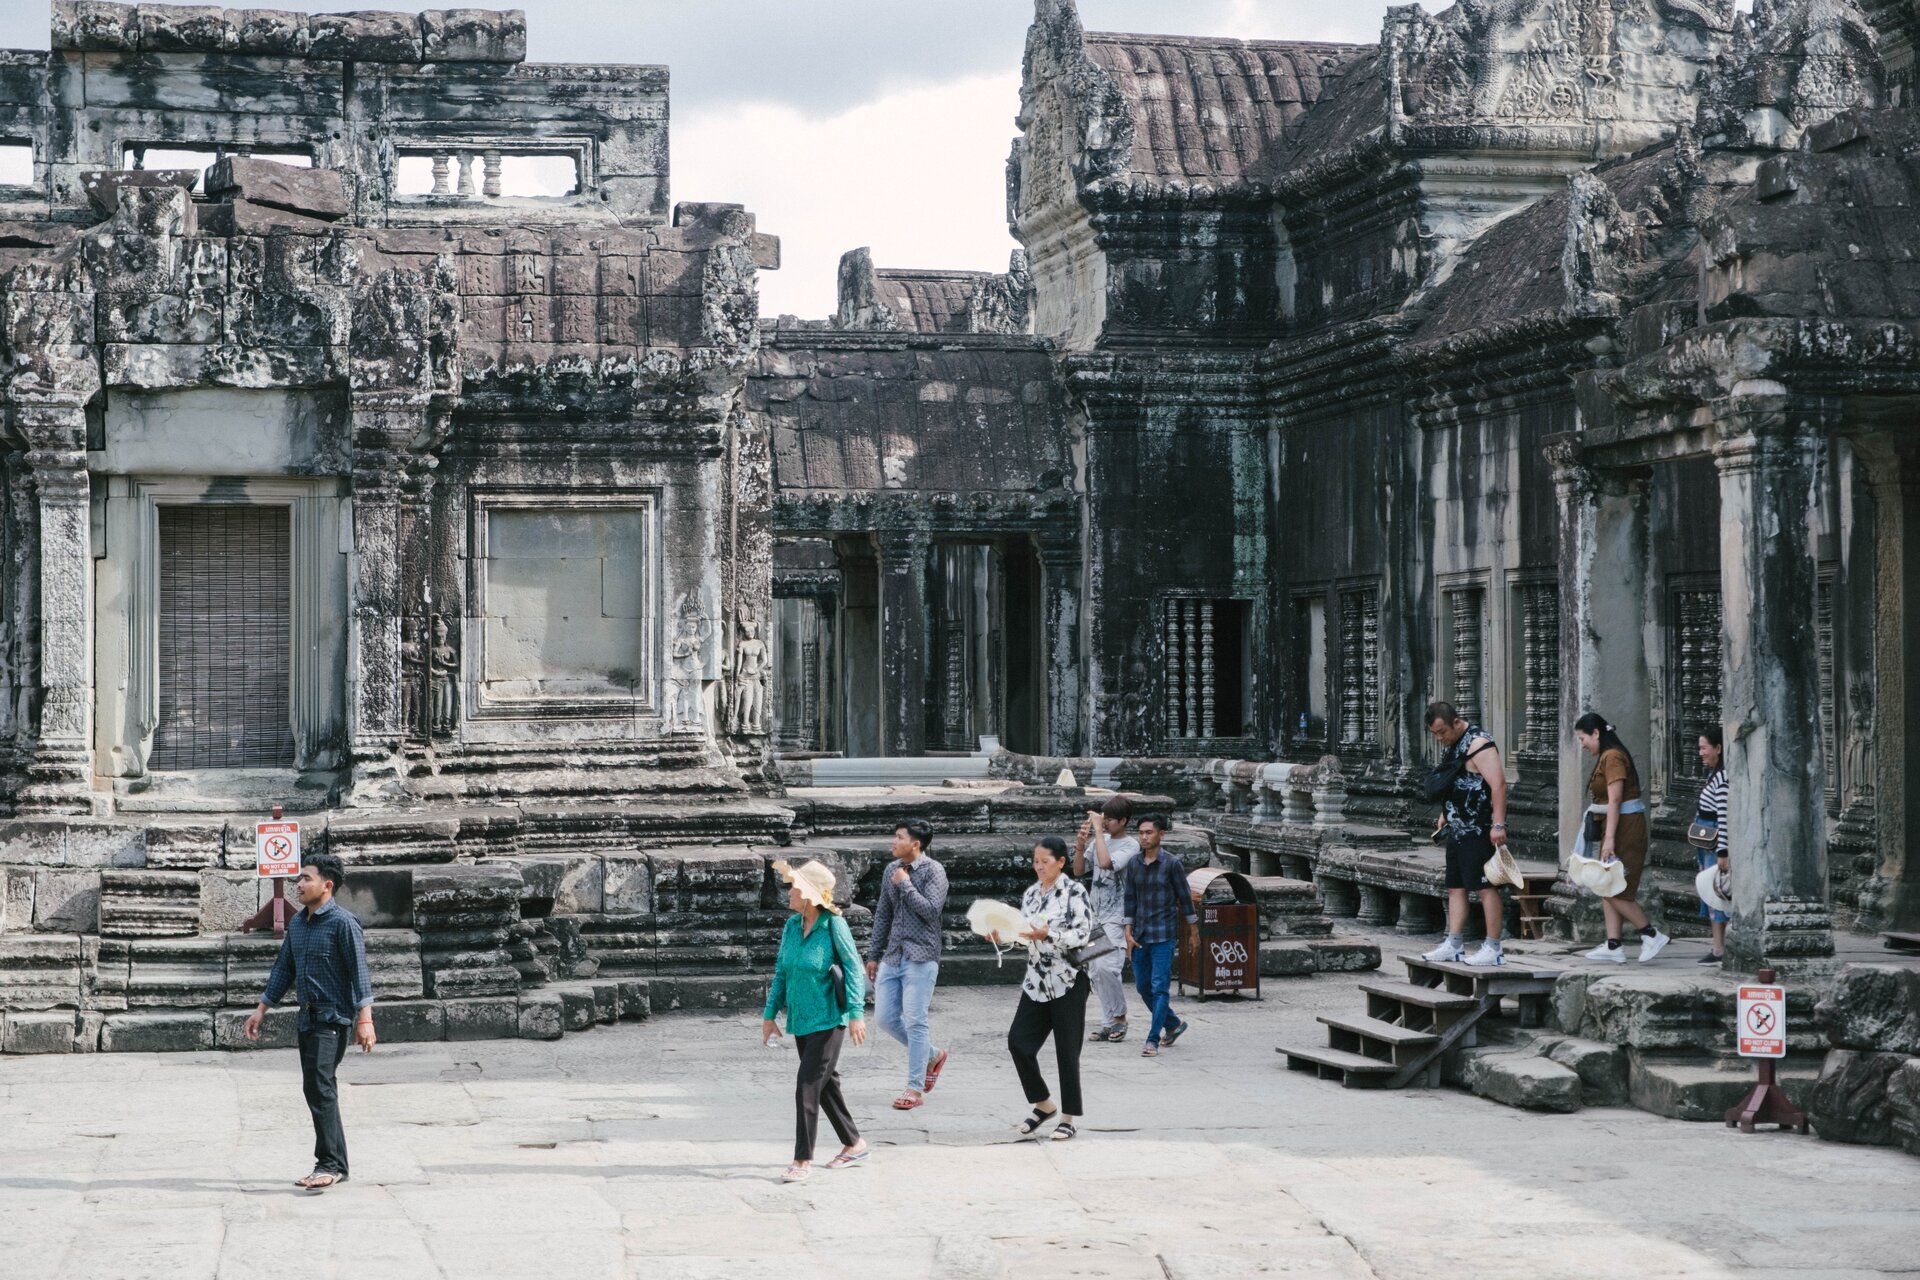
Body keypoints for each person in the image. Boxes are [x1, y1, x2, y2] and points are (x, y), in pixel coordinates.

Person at [242, 853, 375, 1192]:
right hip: (307, 1019)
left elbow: (359, 973)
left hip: (333, 1018)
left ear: (327, 886)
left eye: (306, 879)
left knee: (319, 1087)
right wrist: (261, 1009)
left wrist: (366, 1020)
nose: (298, 885)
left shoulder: (344, 923)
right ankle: (337, 1164)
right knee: (319, 1087)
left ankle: (328, 1163)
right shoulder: (299, 924)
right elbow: (284, 969)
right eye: (298, 879)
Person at [763, 859, 869, 1183]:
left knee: (807, 1085)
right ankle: (854, 1143)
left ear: (809, 895)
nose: (789, 892)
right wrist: (769, 1015)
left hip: (828, 1021)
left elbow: (853, 969)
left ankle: (801, 1159)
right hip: (801, 1021)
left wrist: (856, 1015)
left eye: (795, 887)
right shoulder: (791, 927)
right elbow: (782, 971)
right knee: (825, 1087)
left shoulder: (833, 925)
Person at [1001, 836, 1094, 1140]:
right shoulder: (1030, 894)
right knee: (1018, 1042)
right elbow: (1023, 933)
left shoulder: (1074, 892)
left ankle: (1068, 1117)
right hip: (1036, 980)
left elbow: (1082, 933)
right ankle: (1043, 1104)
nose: (1038, 866)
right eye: (1035, 861)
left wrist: (1049, 934)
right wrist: (1003, 936)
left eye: (1045, 861)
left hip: (1068, 978)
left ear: (1061, 862)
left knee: (1067, 1050)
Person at [864, 818, 949, 1110]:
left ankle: (914, 1088)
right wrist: (873, 954)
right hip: (893, 954)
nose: (893, 841)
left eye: (899, 837)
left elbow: (931, 911)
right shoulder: (891, 870)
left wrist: (907, 885)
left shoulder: (934, 871)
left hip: (921, 955)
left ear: (915, 843)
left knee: (915, 1020)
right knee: (884, 1018)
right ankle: (933, 1054)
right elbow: (883, 915)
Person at [1420, 700, 1510, 968]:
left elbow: (1498, 784)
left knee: (1485, 886)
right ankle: (1454, 943)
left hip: (1479, 828)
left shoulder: (1478, 743)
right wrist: (1446, 814)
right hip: (1457, 828)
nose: (1439, 739)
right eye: (1435, 734)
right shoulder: (1455, 745)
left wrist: (1498, 824)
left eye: (1442, 732)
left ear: (1456, 722)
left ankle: (1493, 946)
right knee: (1455, 886)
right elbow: (1454, 781)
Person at [1575, 712, 1670, 963]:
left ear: (1596, 733)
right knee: (1606, 884)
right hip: (1615, 825)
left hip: (1625, 829)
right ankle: (1613, 944)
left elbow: (1616, 799)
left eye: (1583, 738)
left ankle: (1650, 934)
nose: (1582, 744)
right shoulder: (1606, 756)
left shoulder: (1613, 756)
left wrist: (1609, 839)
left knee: (1616, 890)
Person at [1121, 812, 1197, 1058]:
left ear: (1160, 835)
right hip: (1141, 934)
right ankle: (1173, 1023)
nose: (1144, 837)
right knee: (1144, 987)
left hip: (1164, 934)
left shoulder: (1172, 864)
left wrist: (1193, 931)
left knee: (1160, 987)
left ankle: (1152, 1039)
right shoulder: (1134, 863)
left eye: (1149, 832)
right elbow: (1130, 899)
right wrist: (1128, 930)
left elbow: (1185, 899)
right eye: (1141, 832)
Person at [1073, 794, 1140, 1043]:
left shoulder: (1130, 846)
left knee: (1107, 967)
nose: (1106, 822)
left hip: (1117, 916)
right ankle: (1108, 1020)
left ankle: (1119, 1017)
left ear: (1123, 821)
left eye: (1111, 819)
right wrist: (1081, 845)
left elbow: (1106, 862)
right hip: (1095, 914)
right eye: (1105, 818)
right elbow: (1080, 870)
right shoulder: (1101, 840)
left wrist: (1099, 833)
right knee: (1095, 970)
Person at [1692, 726, 1731, 964]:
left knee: (1717, 894)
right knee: (1710, 894)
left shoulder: (1722, 778)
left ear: (1718, 748)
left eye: (1704, 747)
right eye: (1699, 747)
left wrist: (1723, 852)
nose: (1700, 752)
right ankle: (1717, 946)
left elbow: (1724, 816)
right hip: (1707, 843)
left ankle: (1719, 948)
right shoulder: (1714, 774)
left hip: (1716, 844)